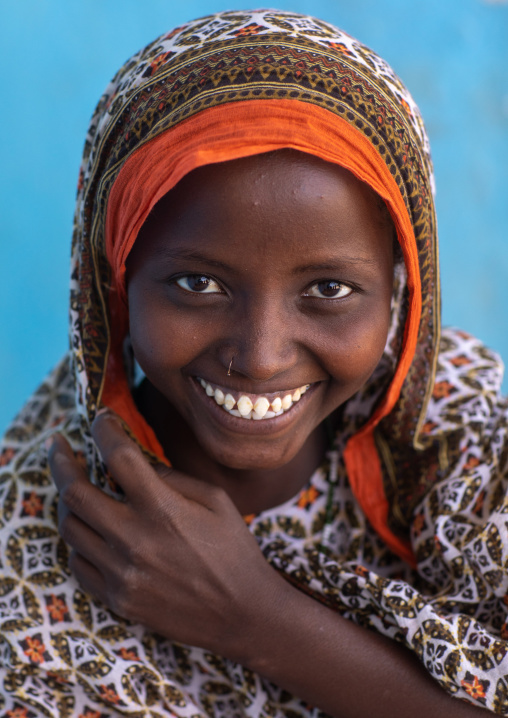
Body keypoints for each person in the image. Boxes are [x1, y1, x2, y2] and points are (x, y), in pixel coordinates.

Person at [0, 8, 506, 717]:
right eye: (197, 284)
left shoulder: (468, 435)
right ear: (112, 283)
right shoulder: (33, 552)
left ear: (399, 288)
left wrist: (257, 620)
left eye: (328, 289)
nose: (260, 358)